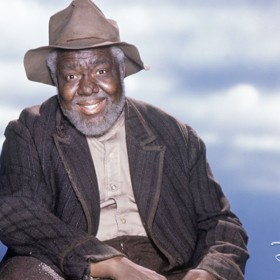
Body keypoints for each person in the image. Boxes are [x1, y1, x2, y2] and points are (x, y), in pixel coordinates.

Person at [0, 0, 249, 279]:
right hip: (71, 270)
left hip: (170, 273)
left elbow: (220, 222)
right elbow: (15, 212)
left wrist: (209, 271)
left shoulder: (176, 134)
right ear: (57, 81)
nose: (88, 87)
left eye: (101, 71)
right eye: (71, 75)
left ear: (122, 72)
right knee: (23, 272)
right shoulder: (30, 131)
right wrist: (108, 262)